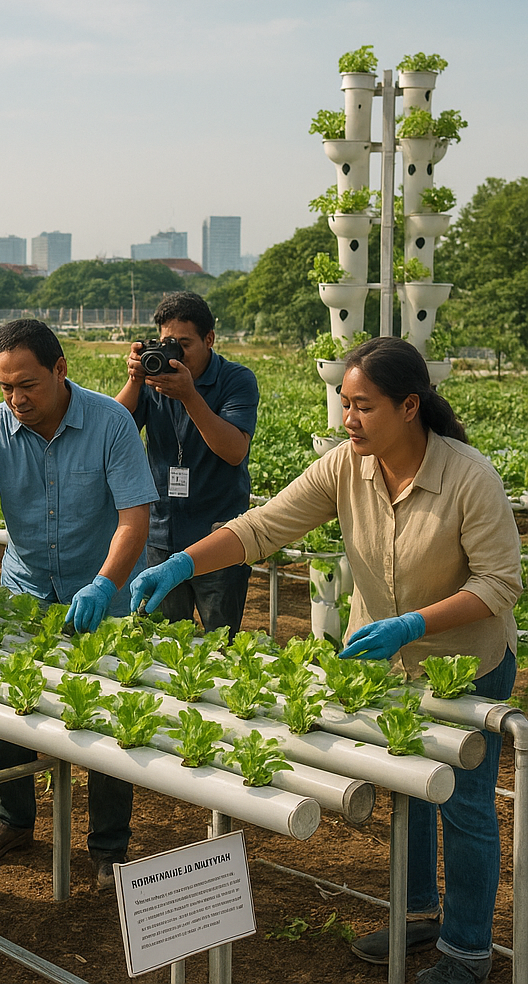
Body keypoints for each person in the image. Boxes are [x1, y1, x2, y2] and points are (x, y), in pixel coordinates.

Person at [130, 337, 522, 984]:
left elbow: (500, 585)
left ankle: (468, 951)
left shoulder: (467, 476)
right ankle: (418, 914)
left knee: (467, 804)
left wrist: (413, 624)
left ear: (409, 407)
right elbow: (263, 527)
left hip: (465, 663)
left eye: (362, 406)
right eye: (345, 404)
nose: (348, 419)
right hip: (386, 660)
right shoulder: (345, 466)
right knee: (410, 792)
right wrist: (182, 561)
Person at [0, 319, 158, 889]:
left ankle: (109, 848)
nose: (16, 399)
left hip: (104, 588)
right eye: (5, 387)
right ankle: (14, 820)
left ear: (60, 371)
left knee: (106, 714)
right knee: (13, 707)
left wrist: (103, 584)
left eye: (28, 385)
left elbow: (134, 519)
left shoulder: (111, 423)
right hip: (26, 589)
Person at [115, 291, 258, 635]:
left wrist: (189, 395)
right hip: (162, 533)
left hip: (219, 536)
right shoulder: (153, 379)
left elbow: (234, 450)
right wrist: (135, 380)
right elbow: (116, 429)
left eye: (184, 344)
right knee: (164, 641)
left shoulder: (236, 380)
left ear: (210, 339)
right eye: (167, 344)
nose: (174, 354)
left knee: (220, 643)